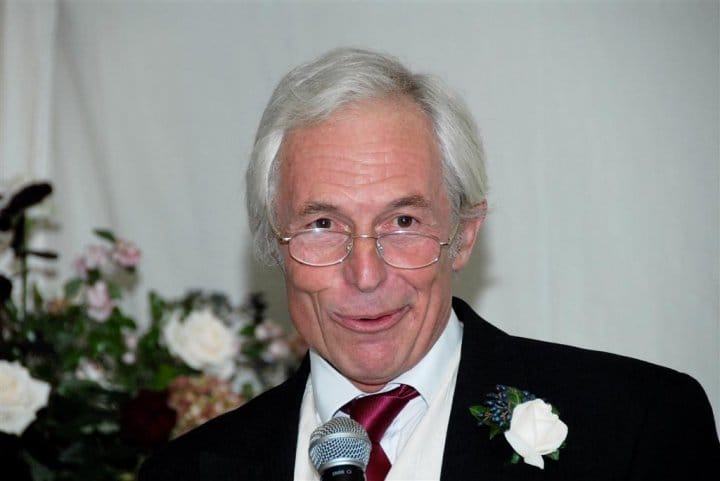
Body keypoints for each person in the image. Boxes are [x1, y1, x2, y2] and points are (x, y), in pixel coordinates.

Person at [139, 47, 719, 480]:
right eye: (323, 225)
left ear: (462, 236)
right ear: (275, 244)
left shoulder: (637, 426)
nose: (365, 275)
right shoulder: (184, 471)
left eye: (403, 222)